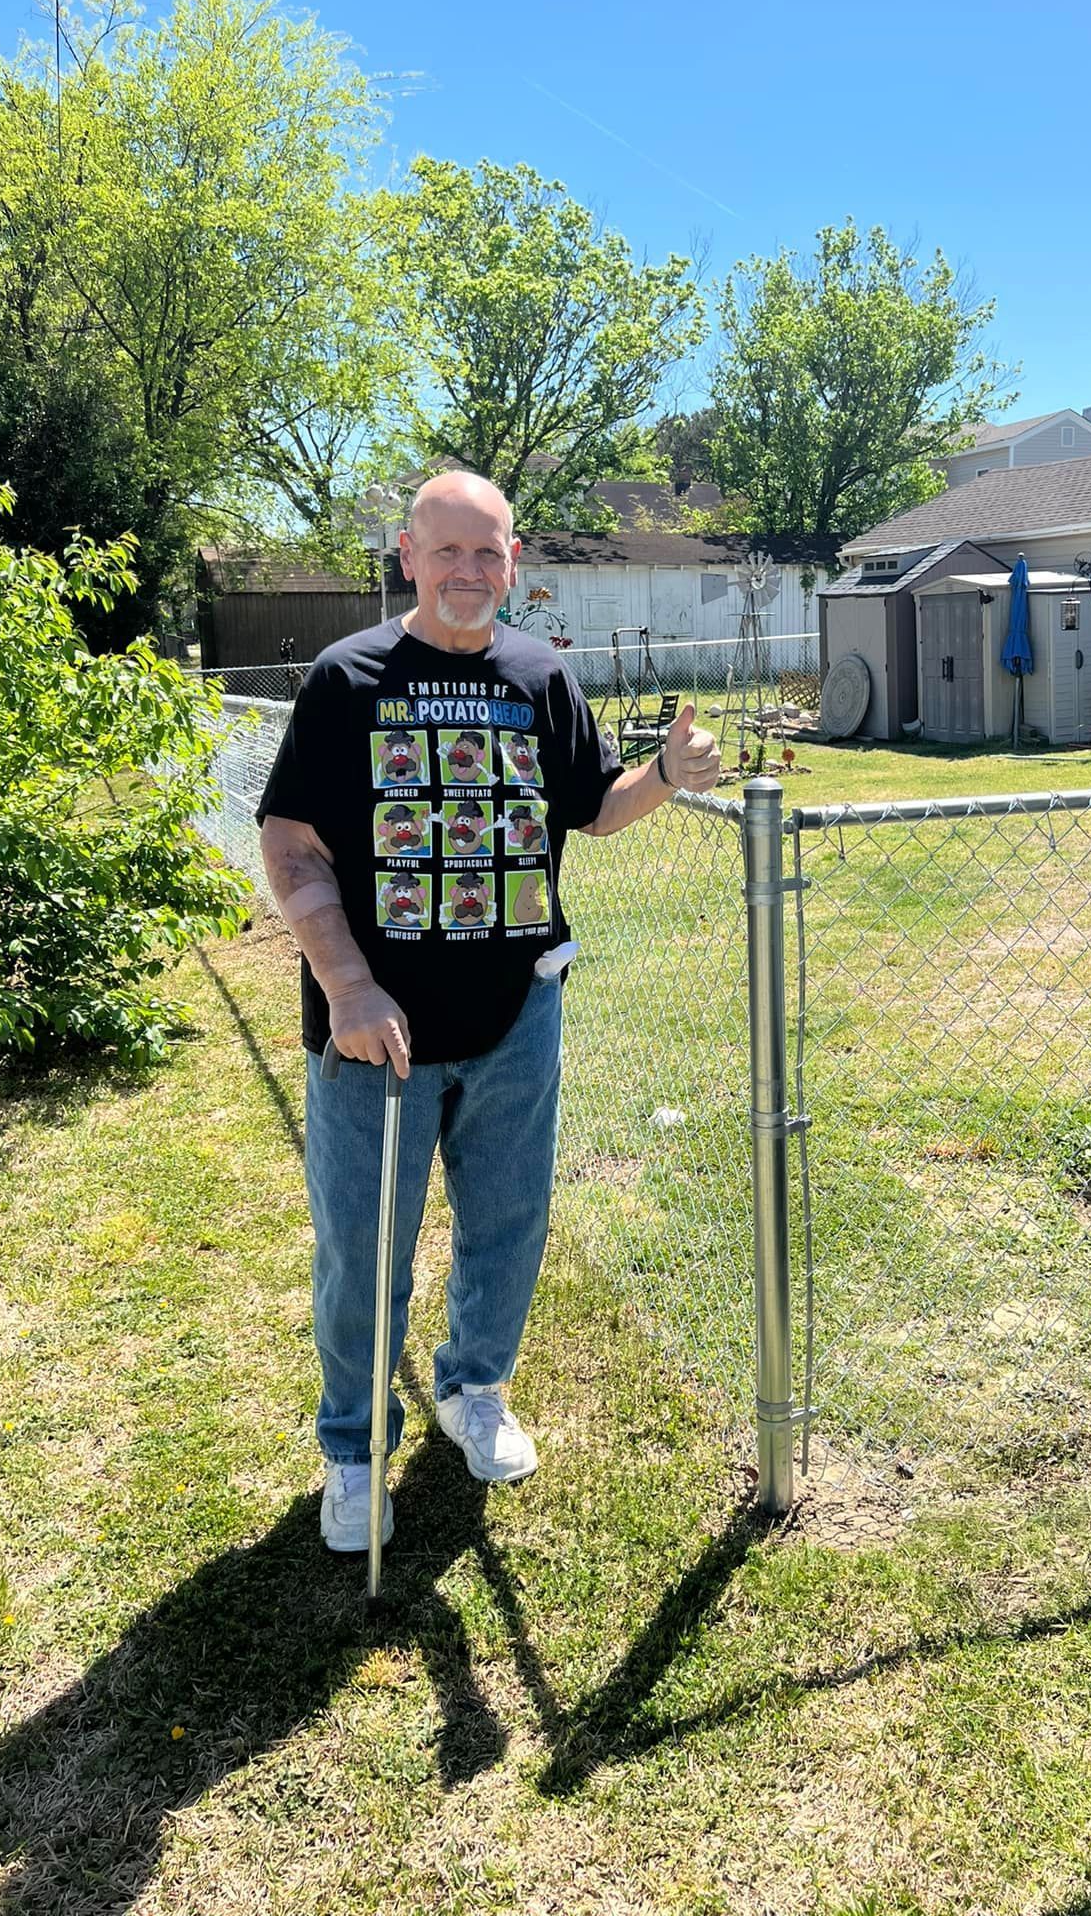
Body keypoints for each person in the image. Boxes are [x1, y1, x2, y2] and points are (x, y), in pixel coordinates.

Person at [256, 470, 719, 1553]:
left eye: (489, 553)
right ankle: (354, 1449)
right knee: (365, 1252)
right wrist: (349, 984)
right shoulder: (348, 677)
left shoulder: (539, 673)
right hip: (378, 1034)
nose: (469, 572)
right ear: (408, 557)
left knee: (507, 1225)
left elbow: (594, 808)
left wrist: (665, 770)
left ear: (514, 565)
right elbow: (291, 844)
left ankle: (474, 1391)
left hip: (517, 1014)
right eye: (447, 551)